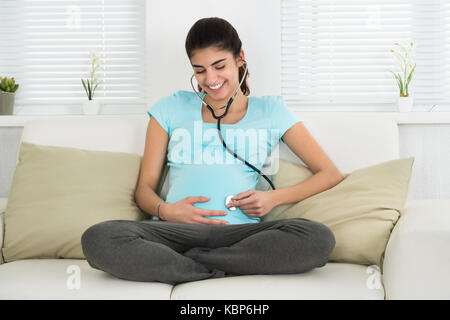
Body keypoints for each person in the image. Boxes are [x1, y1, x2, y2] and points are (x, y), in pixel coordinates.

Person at [81, 17, 343, 285]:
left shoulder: (271, 111)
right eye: (200, 70)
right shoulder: (169, 109)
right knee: (99, 238)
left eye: (219, 66)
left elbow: (329, 174)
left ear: (240, 58)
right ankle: (218, 270)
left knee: (318, 238)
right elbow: (144, 191)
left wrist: (273, 199)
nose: (211, 79)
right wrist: (167, 211)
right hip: (174, 232)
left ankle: (189, 265)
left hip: (239, 235)